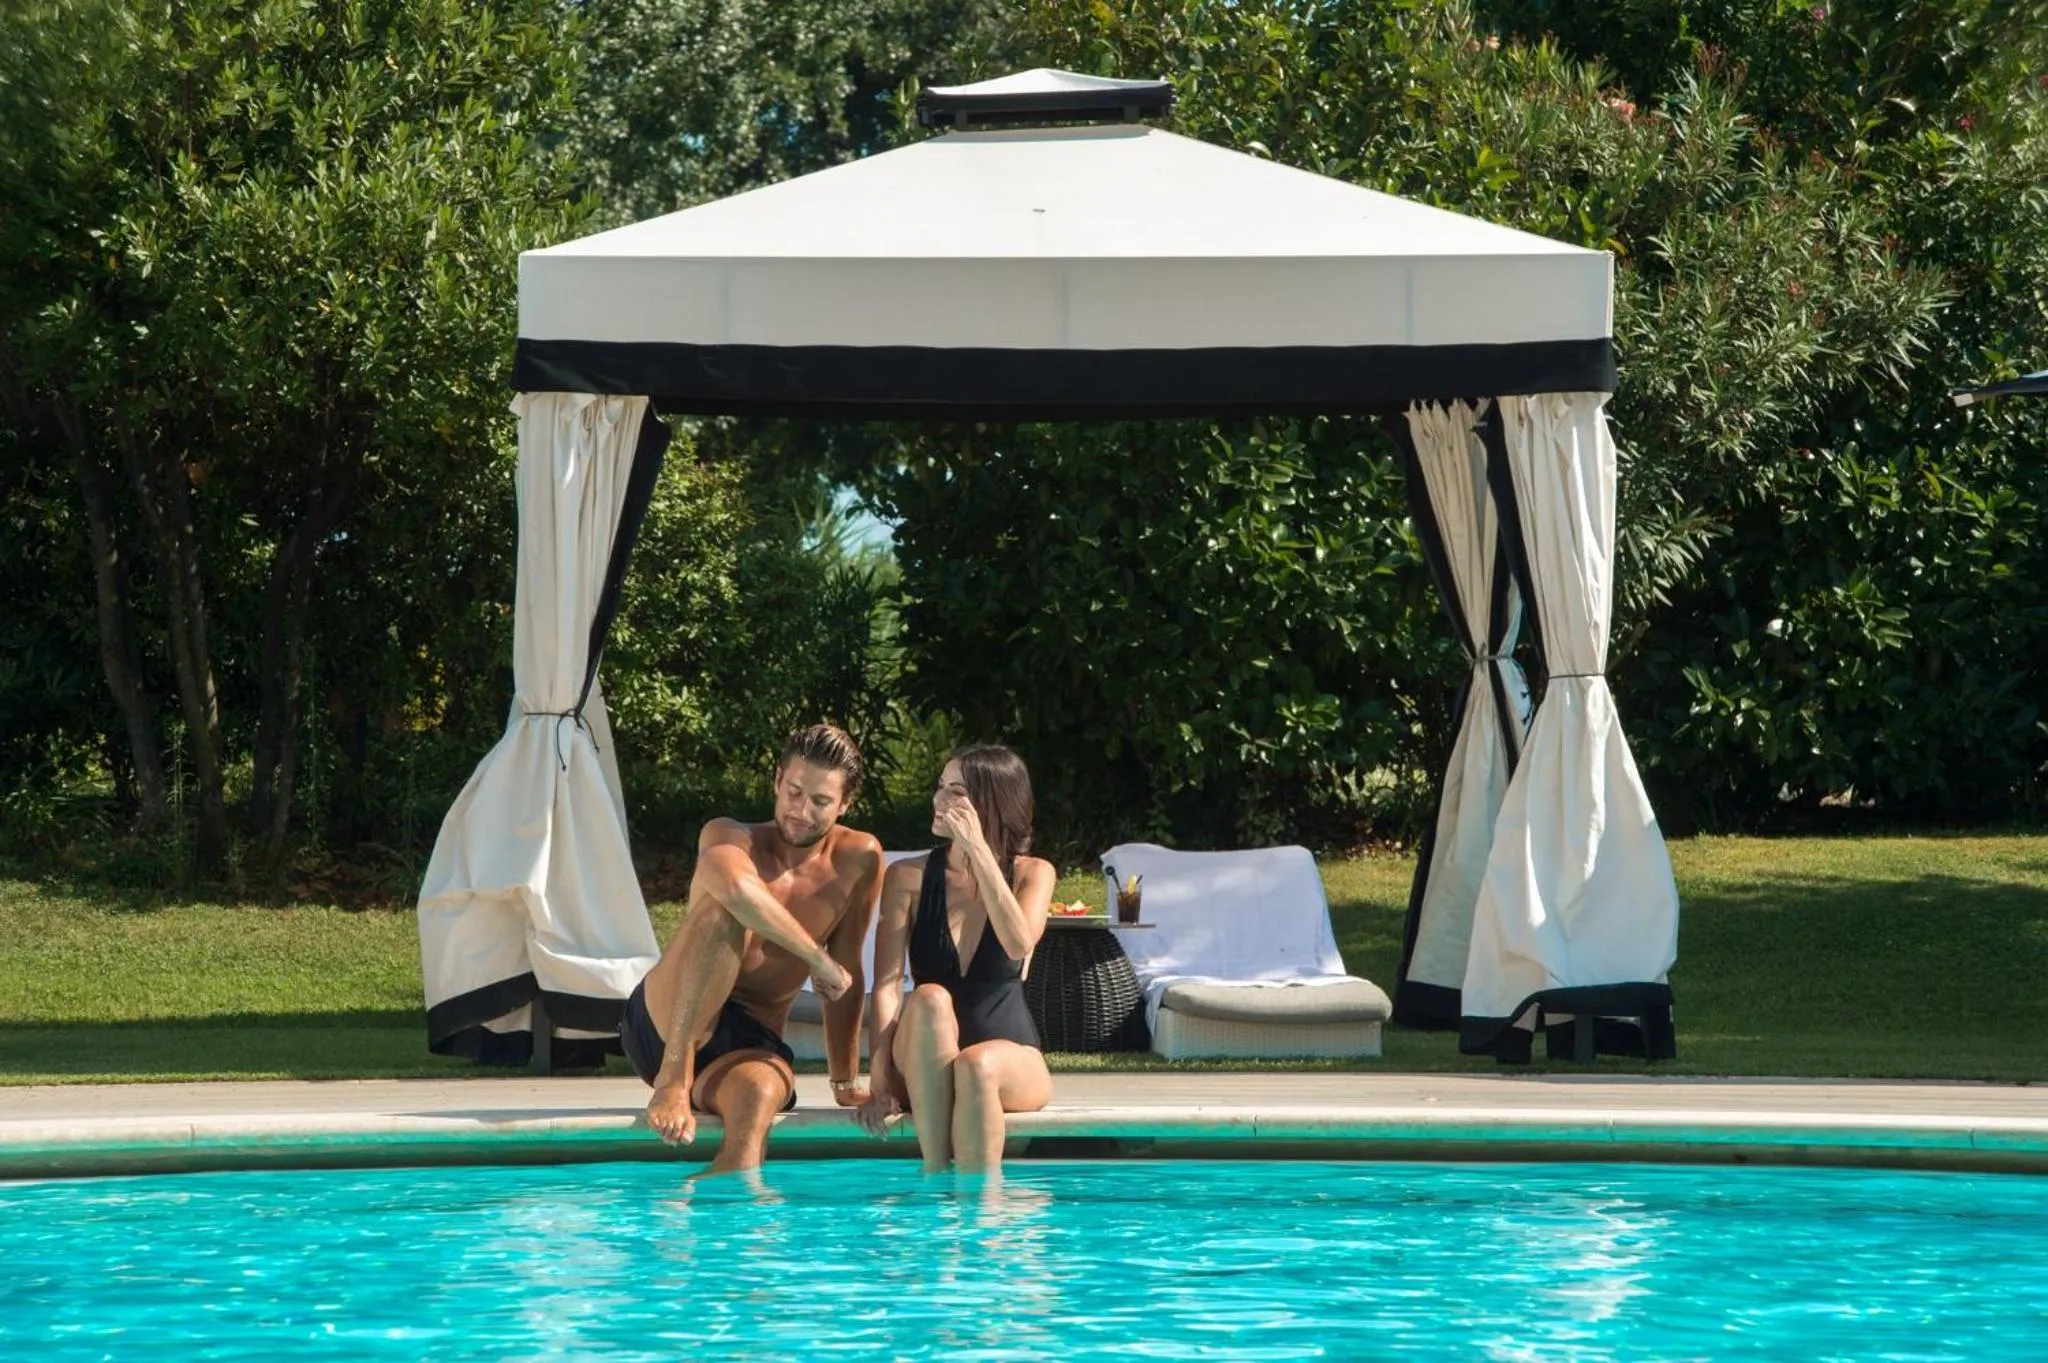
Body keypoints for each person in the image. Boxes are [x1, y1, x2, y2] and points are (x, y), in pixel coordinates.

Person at [619, 723, 883, 1173]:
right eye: (794, 792)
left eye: (820, 801)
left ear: (845, 804)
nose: (801, 810)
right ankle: (673, 1076)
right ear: (778, 781)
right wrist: (816, 959)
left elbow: (847, 972)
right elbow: (740, 893)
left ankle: (726, 1208)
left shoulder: (859, 859)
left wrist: (844, 1081)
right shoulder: (727, 836)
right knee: (725, 911)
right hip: (667, 1022)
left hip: (748, 1042)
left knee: (758, 1101)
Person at [857, 744, 1054, 1172]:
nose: (938, 800)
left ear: (992, 804)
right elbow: (888, 984)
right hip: (920, 1059)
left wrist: (979, 851)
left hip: (1006, 1056)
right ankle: (936, 1181)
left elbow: (1018, 943)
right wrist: (877, 1075)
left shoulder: (1033, 874)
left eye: (956, 792)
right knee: (928, 997)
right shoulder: (907, 876)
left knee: (975, 1064)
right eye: (939, 787)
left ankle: (980, 1216)